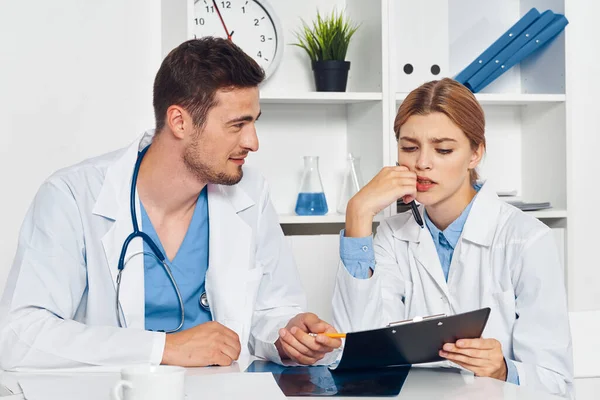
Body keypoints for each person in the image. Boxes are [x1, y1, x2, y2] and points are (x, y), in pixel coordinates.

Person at [0, 37, 341, 370]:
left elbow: (272, 313)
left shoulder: (250, 193)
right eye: (237, 125)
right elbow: (20, 334)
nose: (253, 142)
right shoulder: (73, 196)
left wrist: (288, 336)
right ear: (179, 121)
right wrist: (164, 348)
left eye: (253, 122)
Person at [332, 78, 573, 396]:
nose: (422, 163)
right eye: (409, 147)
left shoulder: (527, 241)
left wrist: (503, 369)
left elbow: (557, 384)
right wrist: (358, 214)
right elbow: (356, 356)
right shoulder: (391, 237)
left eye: (443, 149)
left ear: (475, 154)